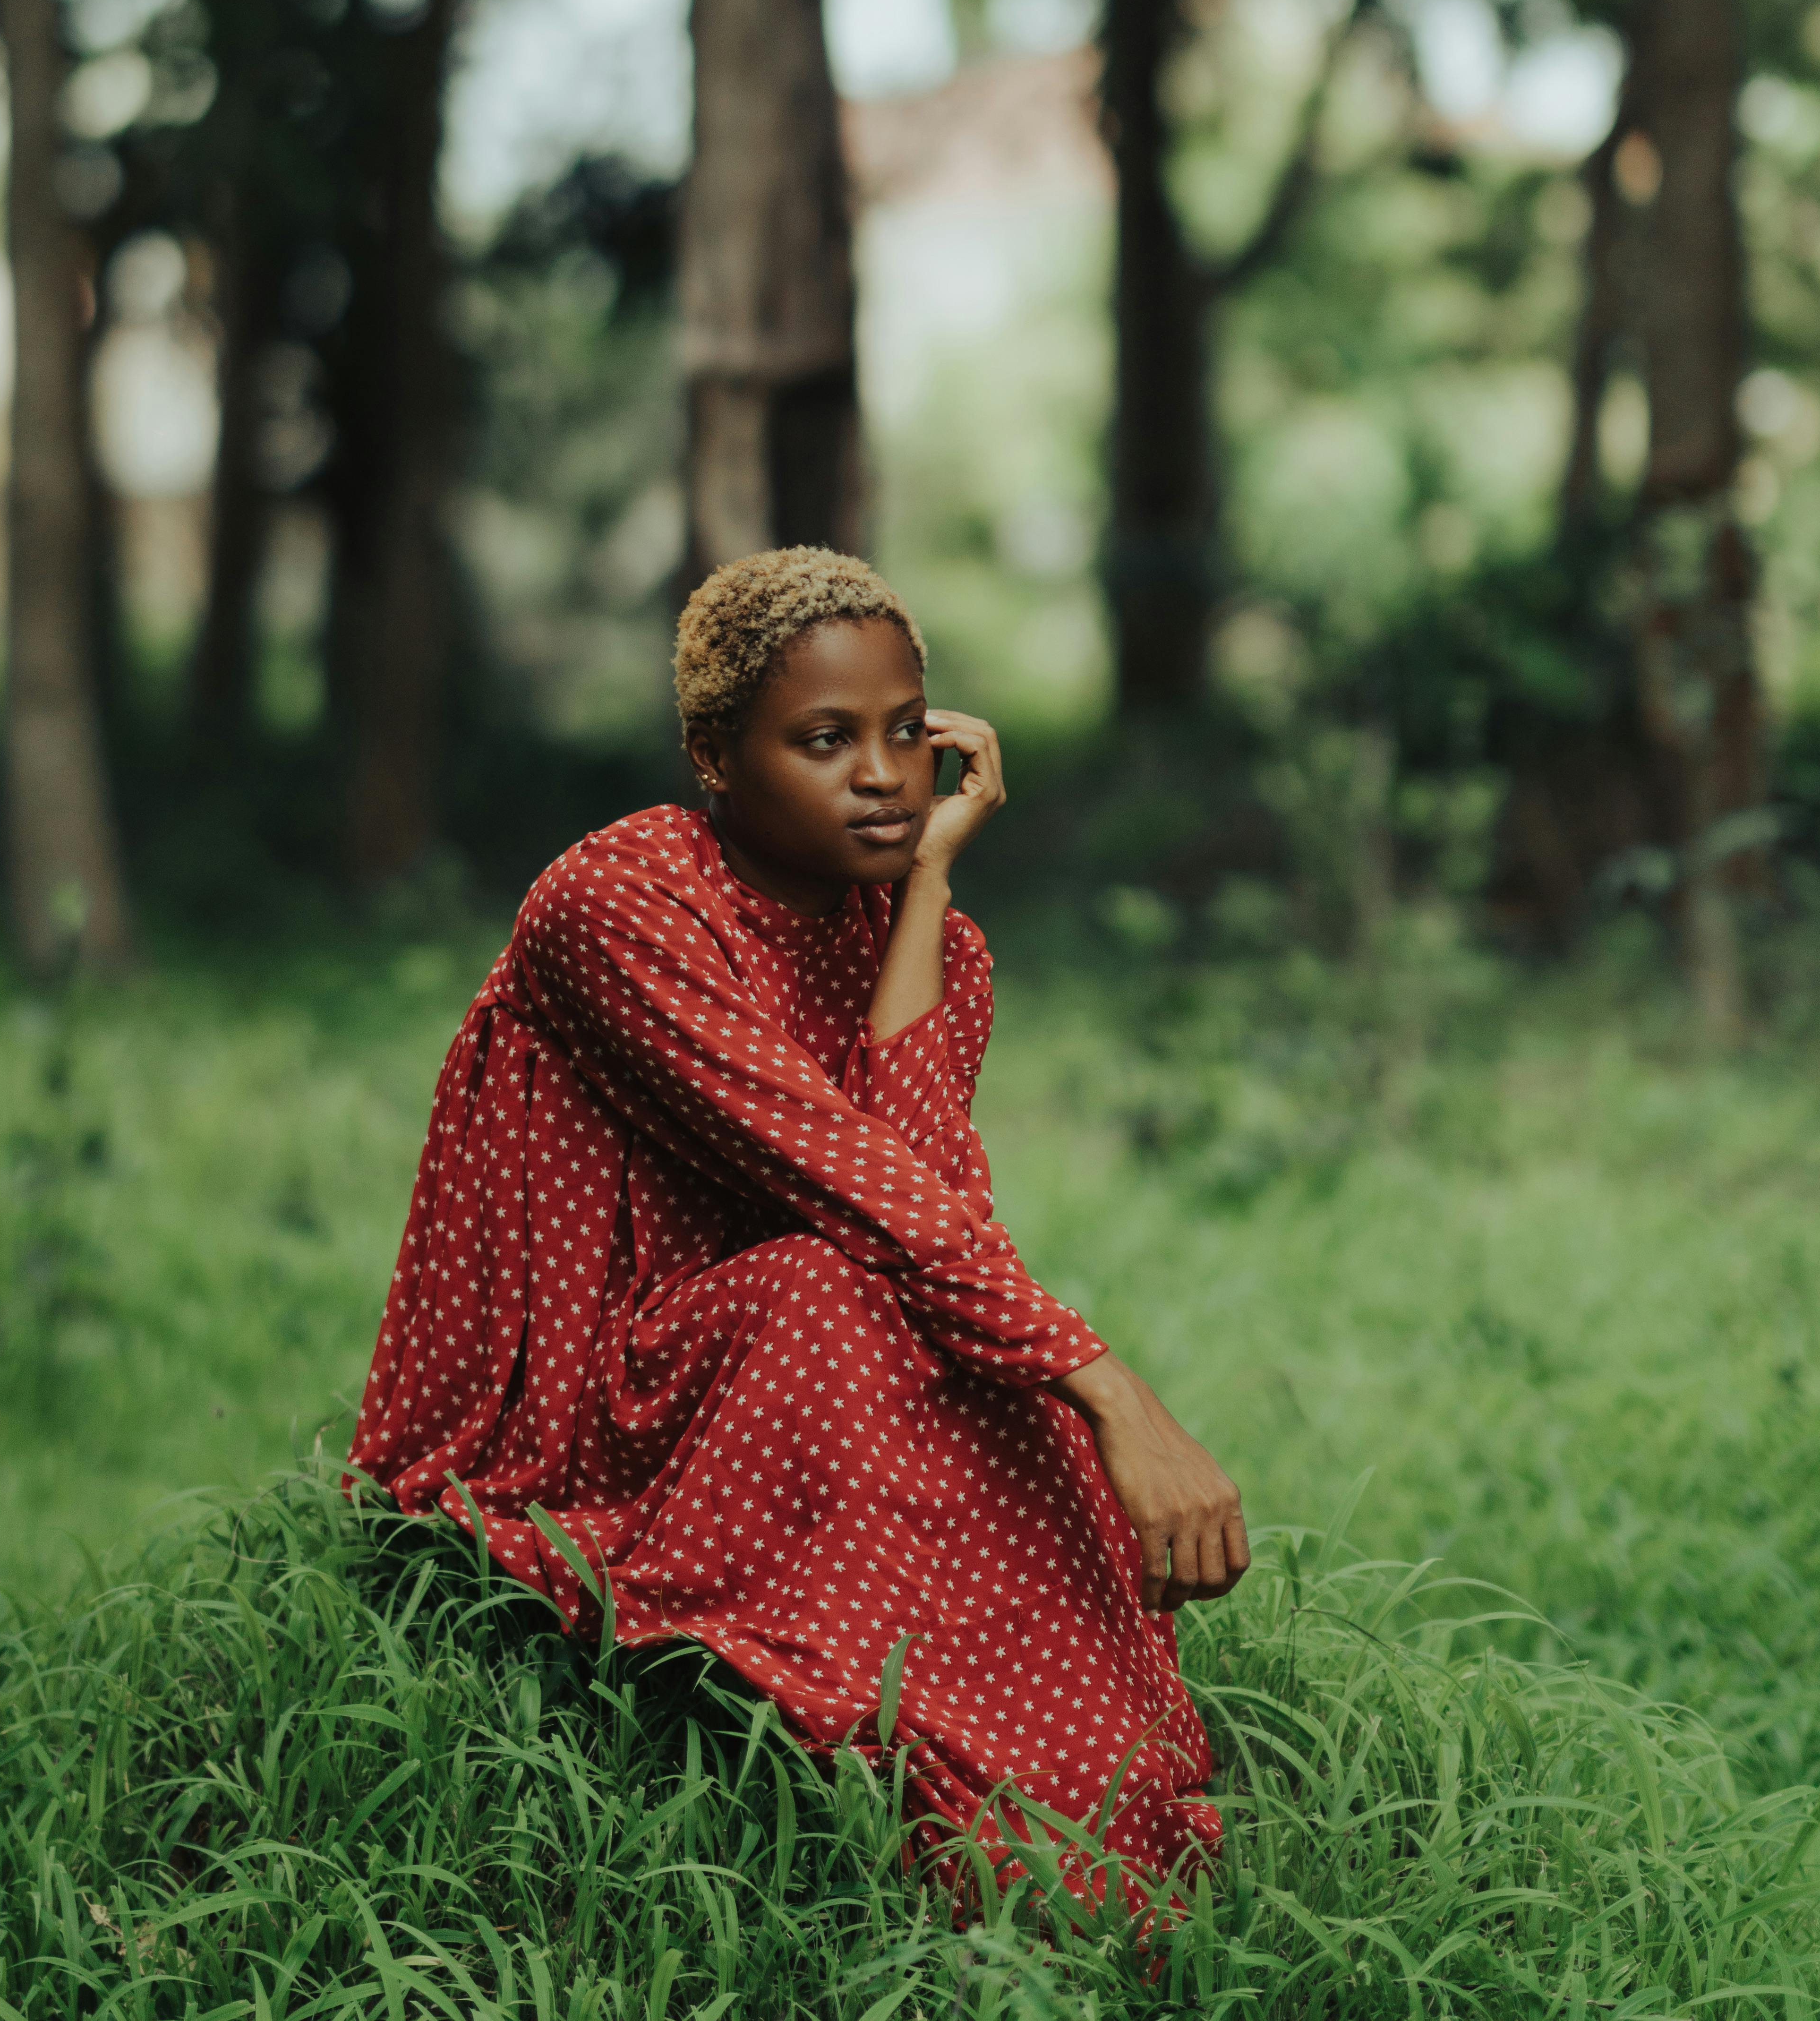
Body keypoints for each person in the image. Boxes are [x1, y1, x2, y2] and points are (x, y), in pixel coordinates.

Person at [350, 545, 1247, 1909]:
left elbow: (928, 1188)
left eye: (905, 733)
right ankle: (913, 1793)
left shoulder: (931, 940)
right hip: (587, 1399)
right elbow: (843, 1178)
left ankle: (1072, 1800)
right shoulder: (620, 904)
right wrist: (1117, 1389)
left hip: (792, 1355)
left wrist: (929, 891)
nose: (883, 777)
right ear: (715, 755)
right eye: (826, 741)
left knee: (952, 1345)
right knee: (852, 1298)